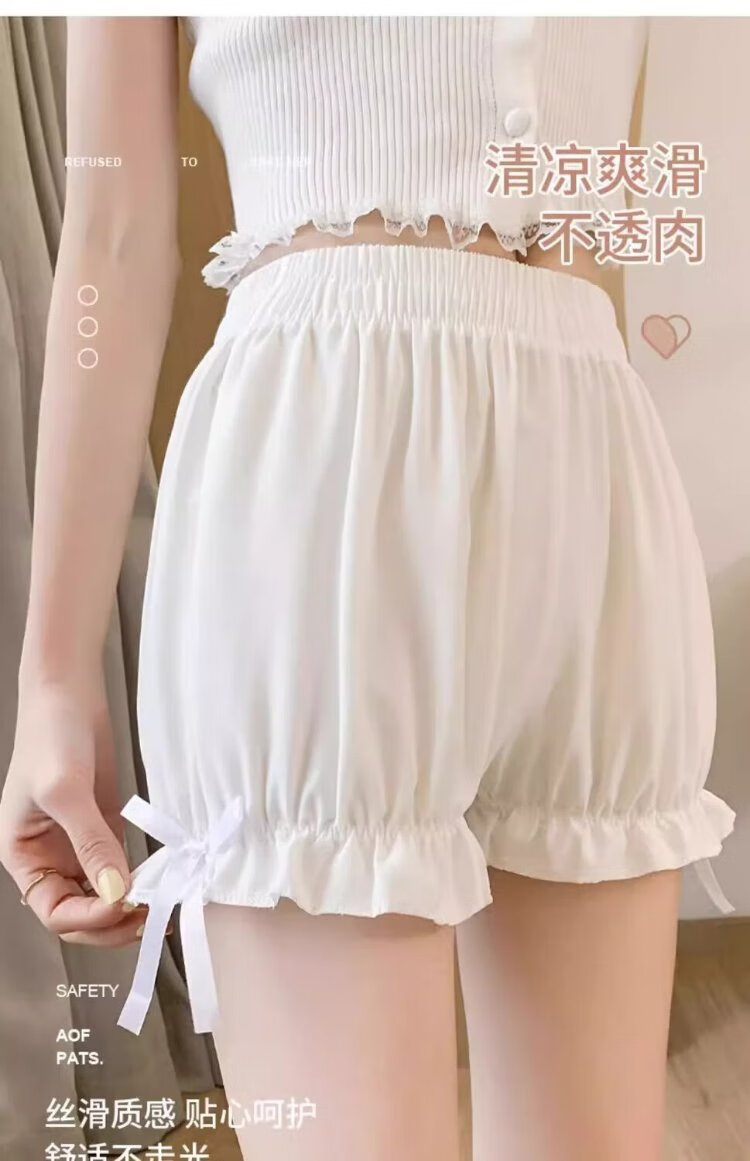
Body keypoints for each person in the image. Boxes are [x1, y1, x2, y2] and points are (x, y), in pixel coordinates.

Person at [0, 16, 735, 1161]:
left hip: (593, 458)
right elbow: (114, 233)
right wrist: (52, 672)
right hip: (317, 485)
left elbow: (597, 215)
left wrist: (603, 525)